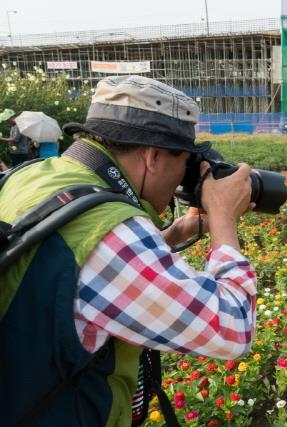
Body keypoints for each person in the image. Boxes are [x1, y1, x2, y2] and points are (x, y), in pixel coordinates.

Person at [0, 75, 257, 426]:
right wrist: (224, 219)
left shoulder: (34, 175)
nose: (184, 176)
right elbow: (232, 329)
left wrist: (171, 234)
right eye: (184, 162)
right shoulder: (110, 229)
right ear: (152, 156)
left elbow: (69, 265)